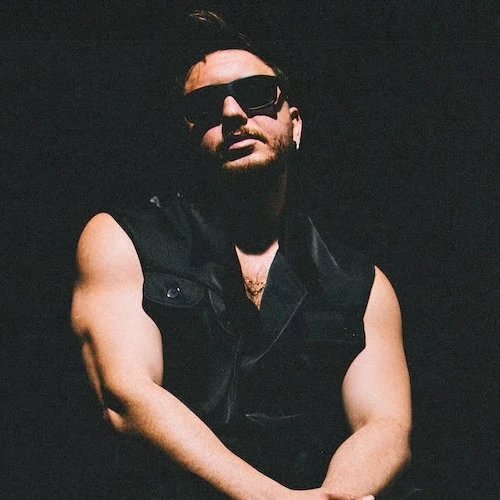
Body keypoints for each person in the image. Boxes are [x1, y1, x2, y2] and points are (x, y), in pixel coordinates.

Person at [71, 11, 412, 499]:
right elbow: (127, 397)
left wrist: (330, 498)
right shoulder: (121, 238)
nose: (232, 113)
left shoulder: (360, 282)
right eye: (207, 104)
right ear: (188, 132)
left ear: (294, 124)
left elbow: (385, 425)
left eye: (256, 94)